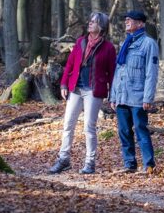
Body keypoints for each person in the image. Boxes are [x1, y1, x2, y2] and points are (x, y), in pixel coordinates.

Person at [49, 12, 117, 175]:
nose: (90, 23)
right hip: (76, 89)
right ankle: (63, 159)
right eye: (90, 21)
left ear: (101, 26)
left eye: (94, 22)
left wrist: (113, 95)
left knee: (89, 127)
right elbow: (70, 64)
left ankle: (90, 163)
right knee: (68, 124)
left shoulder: (108, 48)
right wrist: (64, 83)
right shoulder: (81, 41)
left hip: (94, 91)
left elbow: (113, 74)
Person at [109, 10, 159, 174]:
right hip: (122, 97)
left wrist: (148, 97)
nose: (126, 21)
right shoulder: (126, 43)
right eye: (126, 19)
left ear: (140, 23)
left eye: (130, 19)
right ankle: (129, 164)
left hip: (138, 97)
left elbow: (151, 73)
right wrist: (113, 96)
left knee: (140, 130)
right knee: (123, 131)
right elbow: (118, 71)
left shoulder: (148, 43)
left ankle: (149, 165)